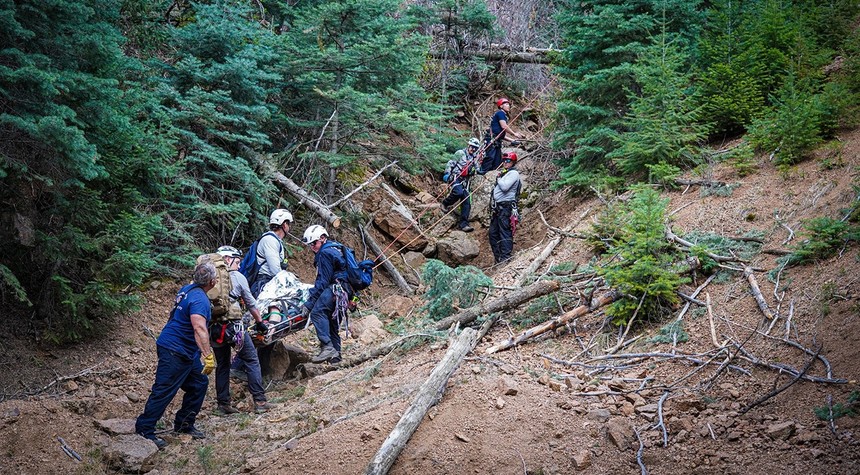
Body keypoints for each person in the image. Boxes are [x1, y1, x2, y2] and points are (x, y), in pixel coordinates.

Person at [135, 262, 218, 449]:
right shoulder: (200, 300)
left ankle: (184, 425)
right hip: (175, 349)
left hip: (183, 350)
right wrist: (208, 355)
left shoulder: (187, 289)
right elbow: (199, 327)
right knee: (164, 389)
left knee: (199, 383)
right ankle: (144, 429)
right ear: (212, 282)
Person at [212, 246, 273, 415]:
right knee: (252, 359)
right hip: (234, 328)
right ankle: (260, 401)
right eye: (237, 262)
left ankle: (223, 404)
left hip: (214, 329)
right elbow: (251, 303)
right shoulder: (238, 277)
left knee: (223, 365)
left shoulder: (209, 279)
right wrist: (260, 322)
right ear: (227, 260)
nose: (239, 266)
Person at [300, 225, 351, 364]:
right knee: (332, 322)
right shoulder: (338, 248)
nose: (312, 248)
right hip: (345, 290)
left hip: (336, 288)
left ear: (322, 238)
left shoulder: (325, 253)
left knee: (317, 313)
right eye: (310, 245)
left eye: (314, 243)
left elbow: (323, 281)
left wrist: (309, 304)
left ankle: (328, 347)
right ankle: (336, 359)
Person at [250, 208, 293, 298]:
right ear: (284, 225)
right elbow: (275, 270)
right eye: (288, 224)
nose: (289, 227)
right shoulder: (270, 240)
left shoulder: (274, 240)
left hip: (268, 281)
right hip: (265, 283)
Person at [489, 152, 522, 264]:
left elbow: (504, 187)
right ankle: (498, 257)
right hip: (498, 208)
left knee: (505, 232)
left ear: (513, 162)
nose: (505, 163)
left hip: (506, 207)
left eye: (508, 161)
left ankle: (505, 257)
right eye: (504, 161)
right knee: (493, 233)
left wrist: (498, 178)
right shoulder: (506, 173)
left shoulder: (513, 174)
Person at [441, 137, 480, 232]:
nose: (473, 149)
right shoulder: (460, 153)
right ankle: (445, 203)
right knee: (458, 193)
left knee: (467, 201)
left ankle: (464, 224)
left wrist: (481, 171)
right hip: (455, 177)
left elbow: (477, 168)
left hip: (465, 181)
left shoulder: (474, 157)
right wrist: (447, 174)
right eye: (472, 147)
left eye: (475, 148)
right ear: (468, 145)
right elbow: (451, 163)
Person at [480, 98, 522, 174]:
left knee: (497, 161)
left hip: (496, 141)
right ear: (501, 106)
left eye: (508, 104)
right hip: (492, 139)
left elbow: (501, 135)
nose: (508, 106)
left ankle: (492, 174)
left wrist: (512, 140)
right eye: (506, 104)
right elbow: (504, 126)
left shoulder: (503, 116)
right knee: (490, 157)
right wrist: (514, 134)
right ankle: (482, 172)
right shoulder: (500, 113)